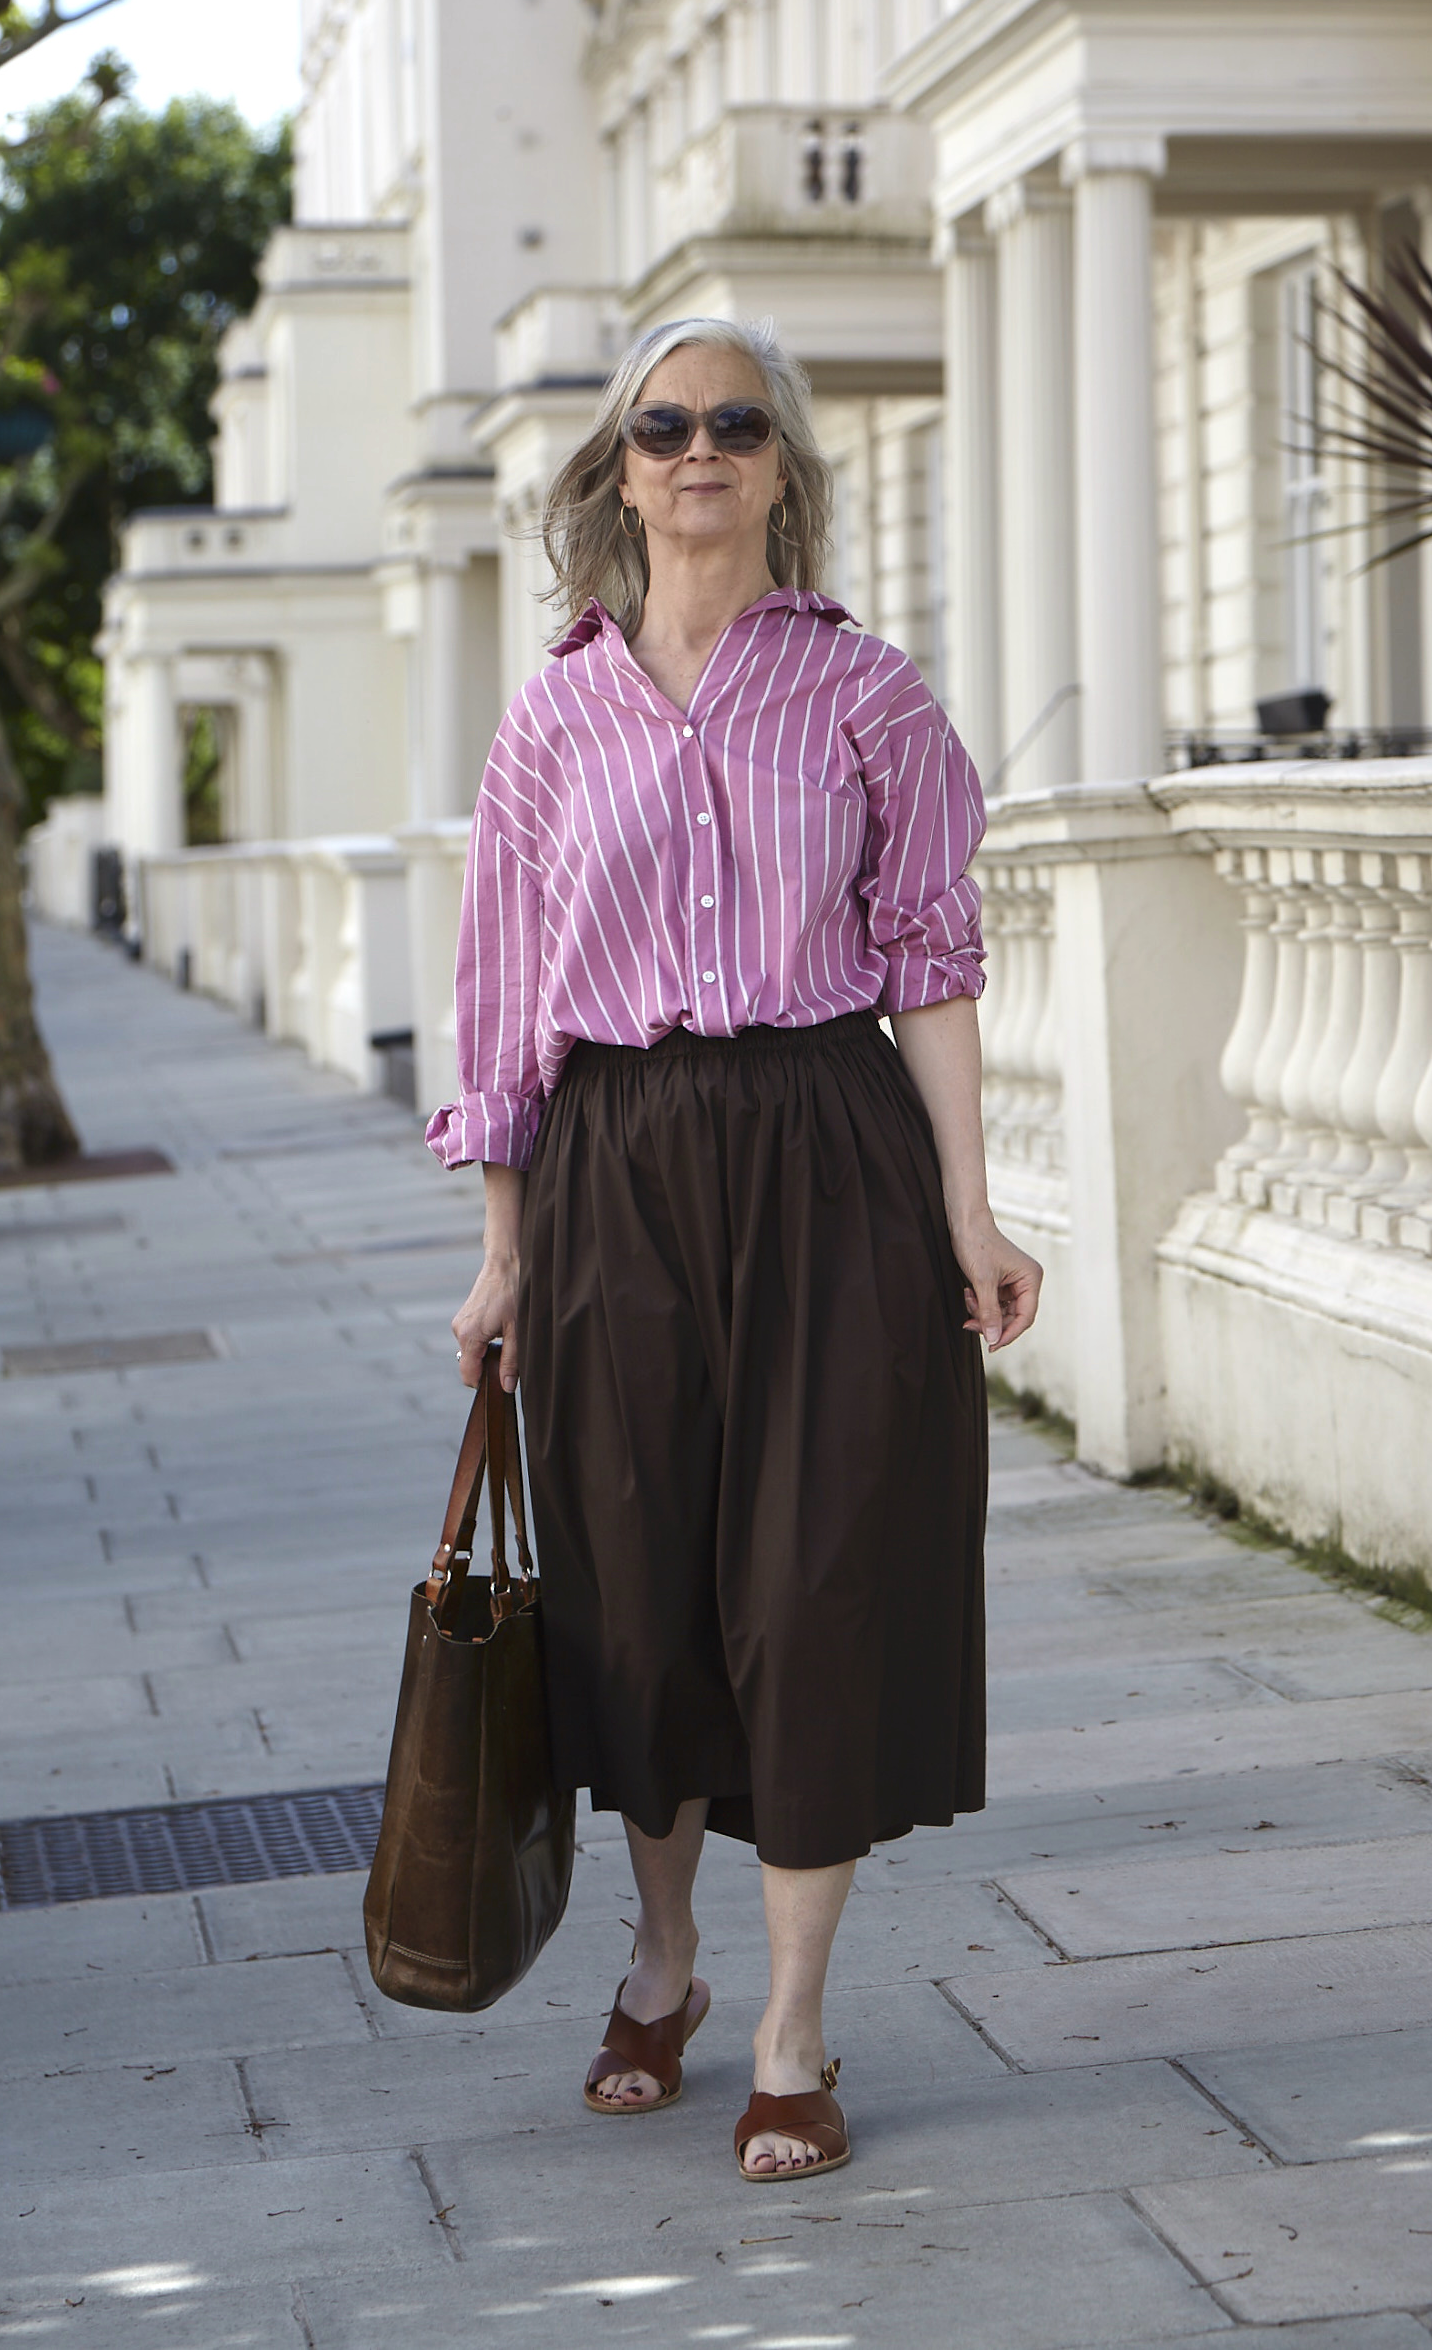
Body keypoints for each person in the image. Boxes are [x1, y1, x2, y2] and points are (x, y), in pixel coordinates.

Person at [431, 315, 1041, 2182]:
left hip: (826, 1145)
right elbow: (507, 1000)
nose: (700, 451)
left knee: (817, 1576)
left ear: (783, 471)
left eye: (738, 426)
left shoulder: (867, 696)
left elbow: (929, 964)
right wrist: (502, 1248)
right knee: (640, 1580)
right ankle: (665, 1955)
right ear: (620, 469)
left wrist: (971, 1206)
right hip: (618, 1159)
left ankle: (792, 2027)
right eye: (667, 424)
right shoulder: (552, 714)